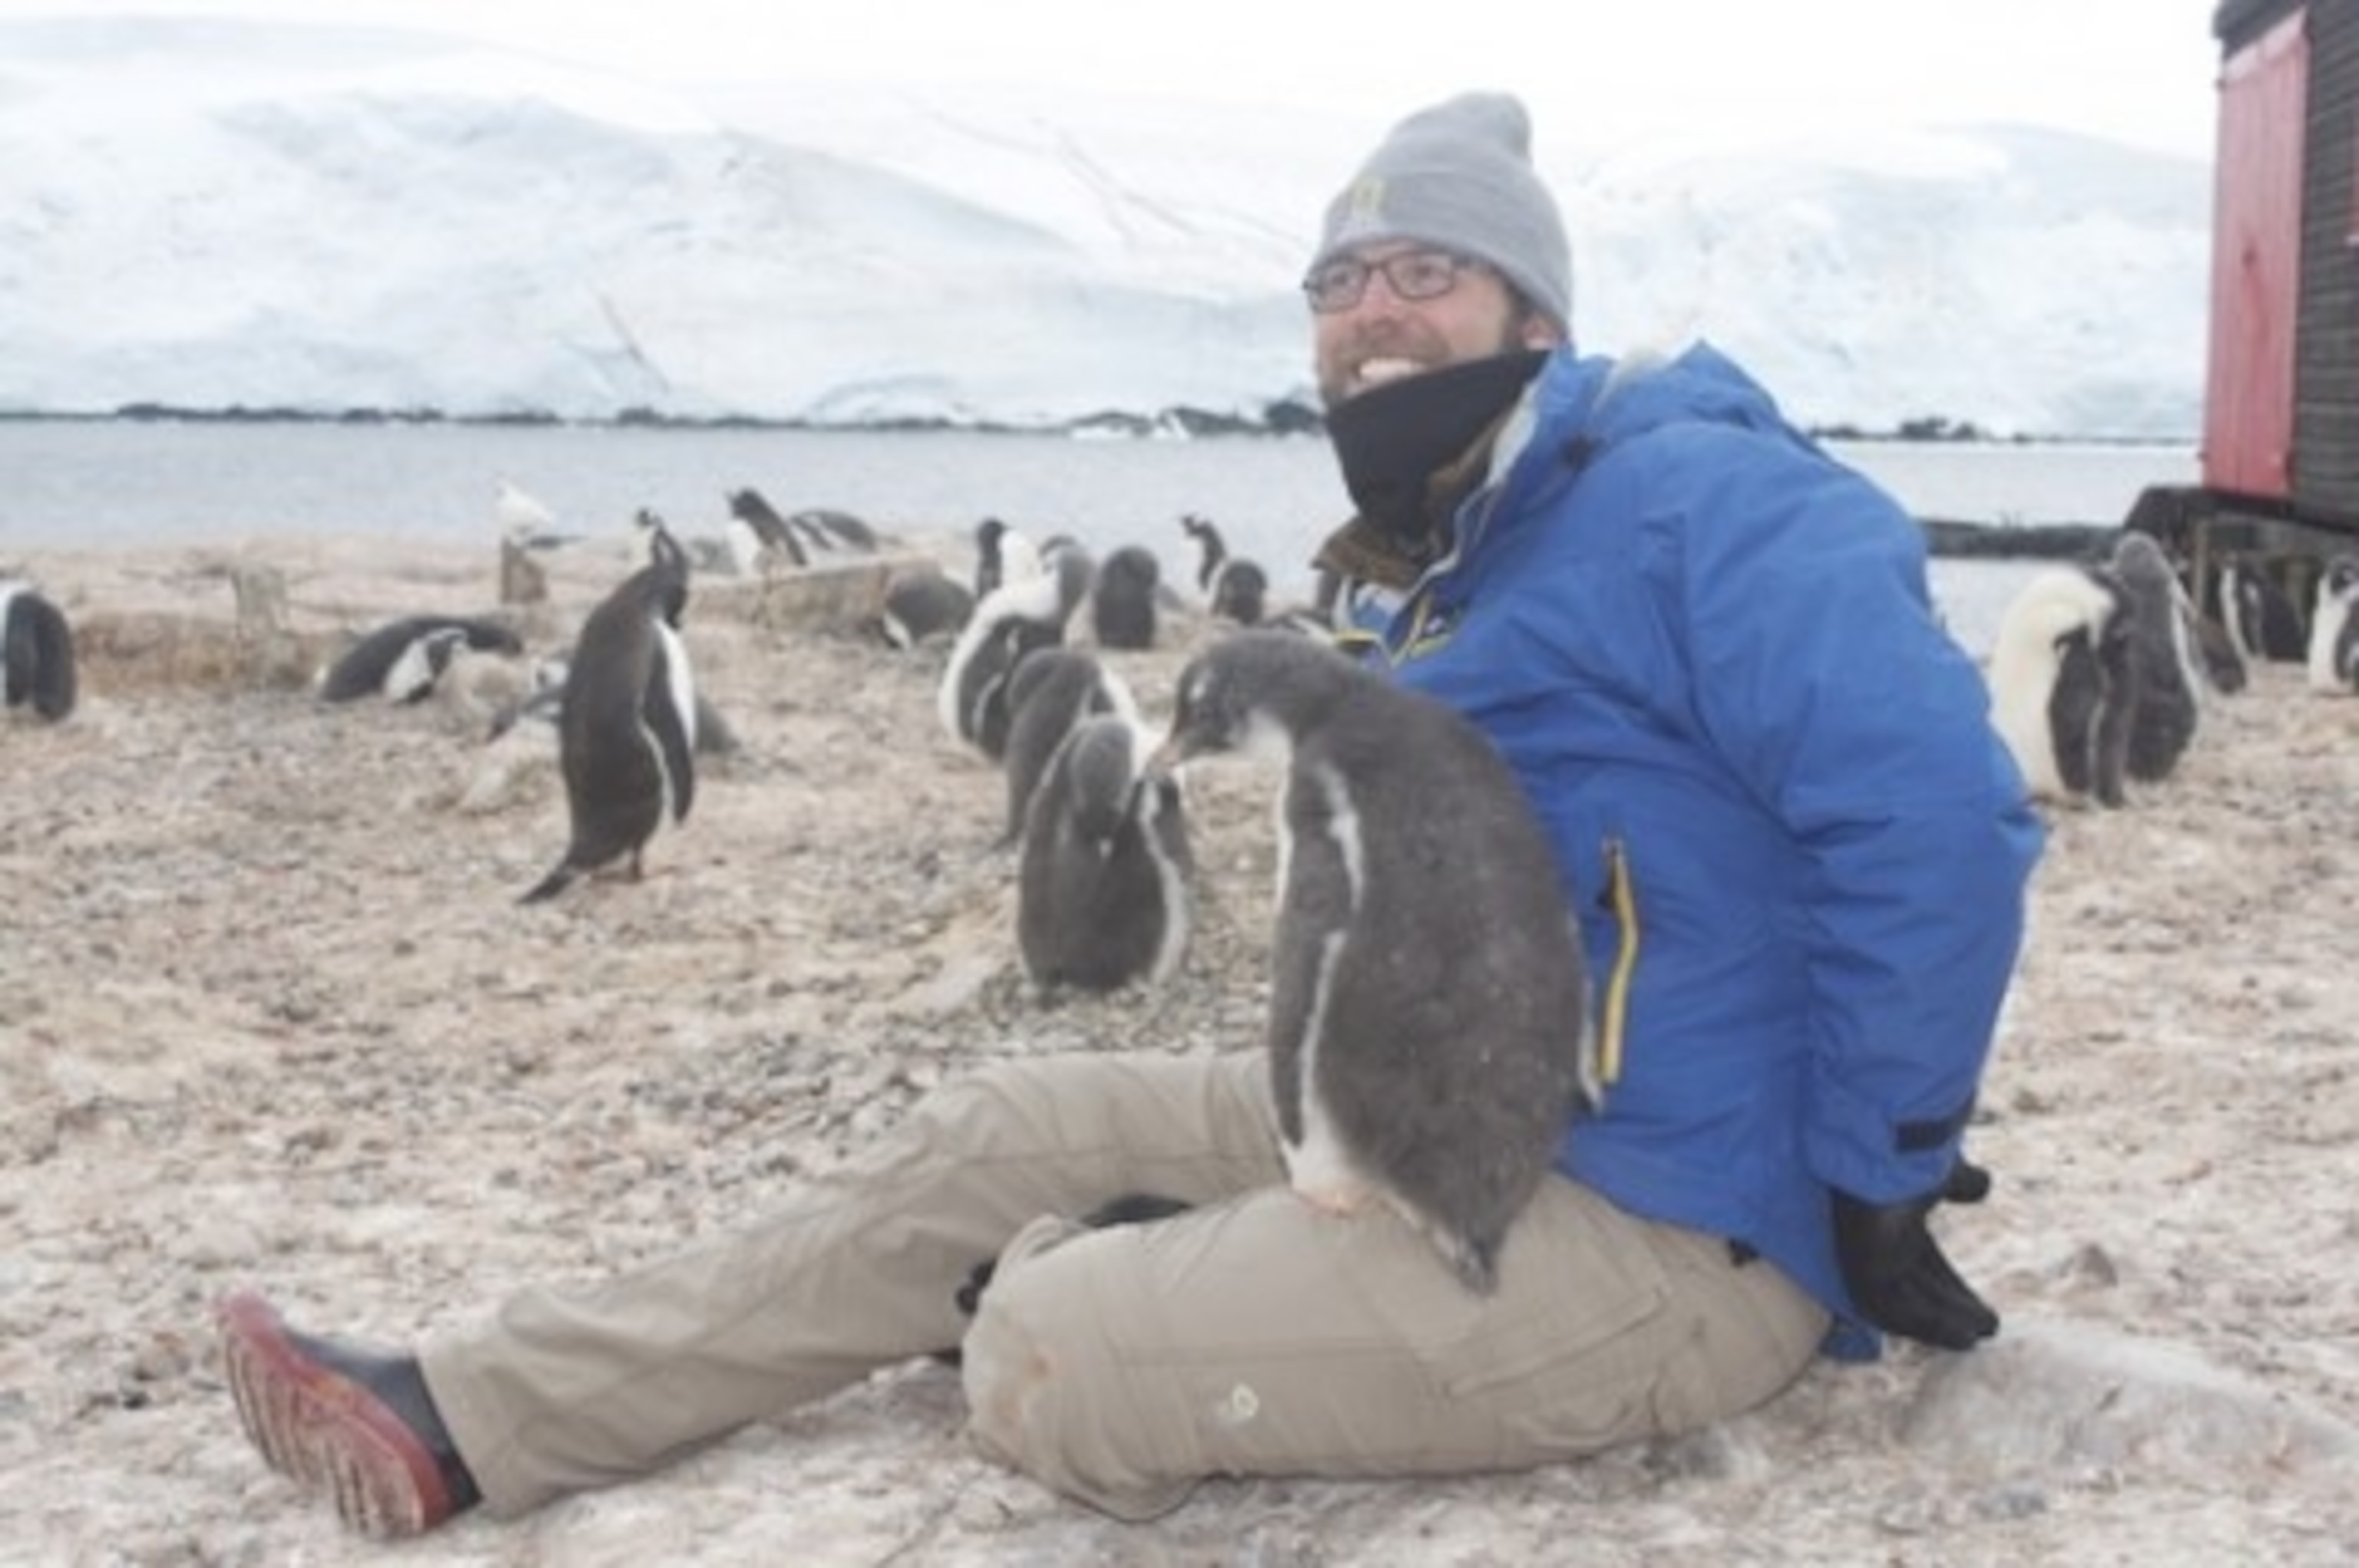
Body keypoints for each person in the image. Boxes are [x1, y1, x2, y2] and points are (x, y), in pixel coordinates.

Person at [216, 90, 2043, 1540]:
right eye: (1339, 284)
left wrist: (1879, 1179)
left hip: (1663, 1234)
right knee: (1004, 1125)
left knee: (1041, 1348)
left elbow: (1940, 823)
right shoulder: (1455, 558)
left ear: (1536, 316)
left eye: (1424, 270)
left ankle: (1103, 1291)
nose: (1371, 313)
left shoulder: (1696, 502)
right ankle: (467, 1415)